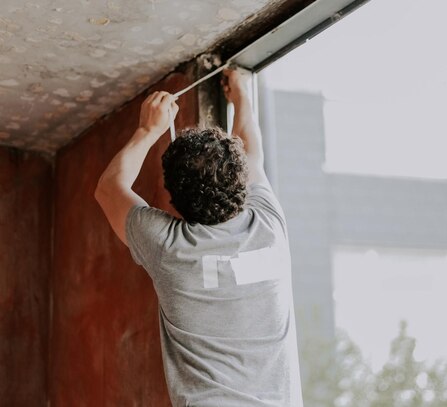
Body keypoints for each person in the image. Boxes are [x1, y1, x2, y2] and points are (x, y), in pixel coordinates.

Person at [94, 68, 303, 407]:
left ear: (173, 200)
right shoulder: (270, 226)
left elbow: (110, 188)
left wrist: (149, 130)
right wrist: (242, 96)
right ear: (240, 180)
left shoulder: (168, 246)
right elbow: (253, 152)